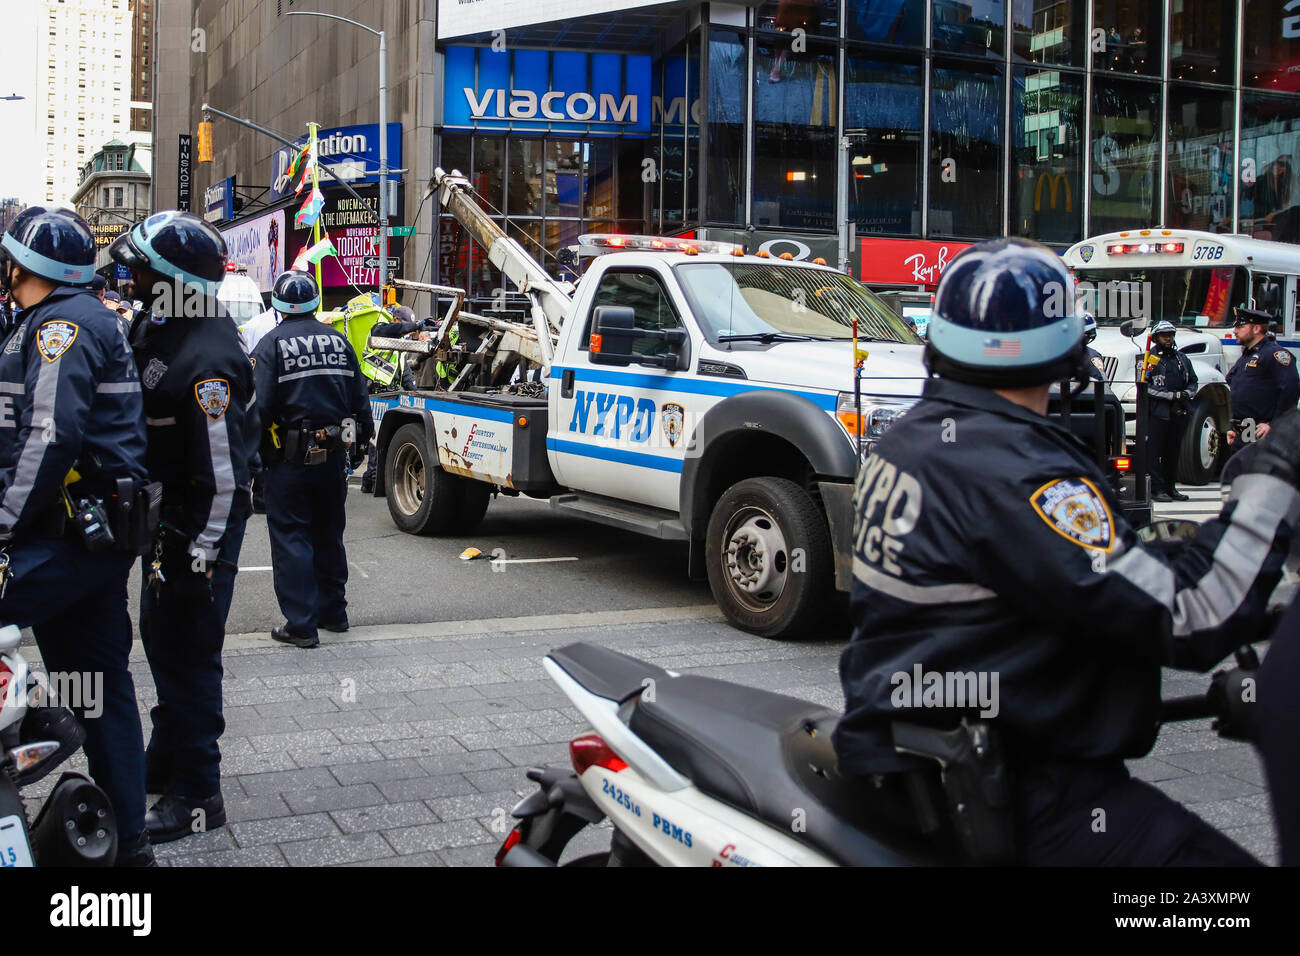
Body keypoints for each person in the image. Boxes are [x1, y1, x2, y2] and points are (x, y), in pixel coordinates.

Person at [834, 237, 1300, 866]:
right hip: (1025, 799)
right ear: (1063, 352)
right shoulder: (1017, 471)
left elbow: (1022, 606)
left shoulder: (912, 444)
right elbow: (1192, 613)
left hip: (920, 767)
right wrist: (1271, 478)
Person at [0, 207, 154, 865]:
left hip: (61, 539)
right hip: (90, 540)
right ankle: (133, 845)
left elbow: (48, 437)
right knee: (102, 688)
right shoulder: (64, 317)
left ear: (22, 267)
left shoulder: (61, 326)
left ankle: (40, 731)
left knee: (100, 687)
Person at [109, 211, 258, 844]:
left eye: (142, 267)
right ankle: (165, 759)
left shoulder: (210, 359)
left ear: (172, 277)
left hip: (200, 530)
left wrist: (201, 555)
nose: (131, 276)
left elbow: (225, 478)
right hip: (166, 522)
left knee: (192, 653)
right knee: (165, 641)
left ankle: (198, 792)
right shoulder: (161, 325)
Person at [252, 270, 372, 649]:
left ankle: (301, 625)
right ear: (316, 303)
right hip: (333, 457)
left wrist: (255, 461)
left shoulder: (271, 345)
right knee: (328, 533)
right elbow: (359, 403)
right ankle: (333, 613)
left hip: (289, 461)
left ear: (279, 306)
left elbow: (257, 410)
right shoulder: (339, 341)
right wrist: (356, 446)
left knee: (291, 538)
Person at [1225, 306, 1300, 451]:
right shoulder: (1246, 356)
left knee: (1259, 471)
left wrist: (1274, 424)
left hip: (1264, 433)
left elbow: (1290, 390)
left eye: (1240, 326)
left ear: (1256, 328)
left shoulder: (1275, 354)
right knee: (1241, 471)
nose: (1235, 331)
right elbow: (1239, 393)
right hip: (1244, 432)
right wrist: (1233, 428)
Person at [1143, 320, 1196, 502]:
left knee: (1173, 452)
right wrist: (1170, 396)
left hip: (1179, 412)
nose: (1168, 338)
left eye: (1171, 334)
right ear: (1156, 337)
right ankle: (1157, 489)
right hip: (1158, 412)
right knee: (1154, 452)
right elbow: (1143, 386)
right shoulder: (1149, 359)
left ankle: (1170, 487)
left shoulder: (1182, 358)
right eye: (1164, 335)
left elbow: (1193, 382)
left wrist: (1186, 394)